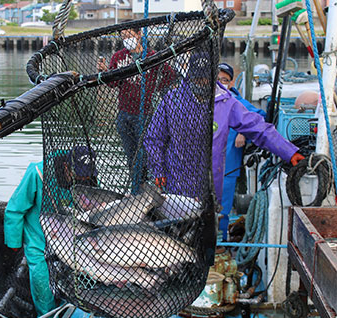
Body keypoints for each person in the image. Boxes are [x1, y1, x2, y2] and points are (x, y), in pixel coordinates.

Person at [144, 52, 304, 204]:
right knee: (177, 226)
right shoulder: (171, 100)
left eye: (206, 79)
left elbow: (258, 128)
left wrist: (289, 152)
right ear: (190, 78)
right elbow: (153, 138)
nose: (202, 83)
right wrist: (158, 170)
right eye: (198, 80)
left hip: (211, 184)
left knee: (208, 225)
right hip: (176, 182)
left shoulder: (228, 103)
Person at [3, 146, 97, 318]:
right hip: (39, 236)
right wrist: (13, 243)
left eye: (86, 177)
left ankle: (70, 314)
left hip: (70, 236)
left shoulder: (89, 179)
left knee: (80, 278)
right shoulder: (37, 172)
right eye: (78, 175)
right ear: (65, 166)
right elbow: (14, 209)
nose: (82, 180)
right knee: (41, 279)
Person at [97, 27, 175, 170]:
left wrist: (155, 88)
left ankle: (146, 185)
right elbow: (113, 83)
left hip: (144, 114)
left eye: (129, 35)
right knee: (130, 156)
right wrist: (105, 72)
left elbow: (170, 75)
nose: (127, 39)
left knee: (145, 156)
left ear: (139, 35)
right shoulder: (118, 57)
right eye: (123, 37)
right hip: (124, 113)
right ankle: (135, 189)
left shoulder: (152, 56)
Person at [217, 62, 267, 241]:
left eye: (225, 79)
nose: (221, 83)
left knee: (223, 207)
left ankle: (221, 243)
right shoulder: (202, 101)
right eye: (218, 79)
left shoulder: (237, 102)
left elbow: (260, 116)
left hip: (228, 167)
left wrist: (242, 132)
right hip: (204, 167)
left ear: (231, 83)